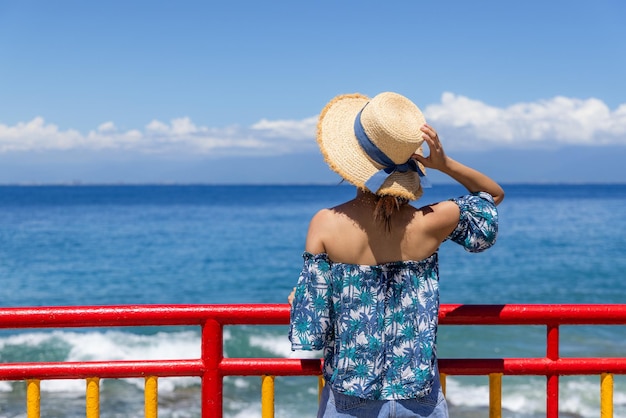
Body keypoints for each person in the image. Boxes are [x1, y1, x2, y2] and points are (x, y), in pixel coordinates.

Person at [288, 91, 504, 418]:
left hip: (350, 396)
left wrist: (301, 298)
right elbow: (491, 197)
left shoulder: (325, 223)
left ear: (355, 161)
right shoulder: (430, 222)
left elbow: (311, 327)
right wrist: (444, 164)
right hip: (419, 398)